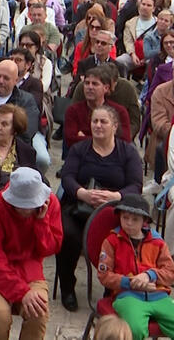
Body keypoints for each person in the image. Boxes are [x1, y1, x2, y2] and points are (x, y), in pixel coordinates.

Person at [57, 104, 143, 311]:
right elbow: (66, 177)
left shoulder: (127, 152)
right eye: (94, 121)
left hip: (114, 212)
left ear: (114, 126)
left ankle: (111, 287)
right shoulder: (80, 149)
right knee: (66, 234)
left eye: (103, 121)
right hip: (78, 208)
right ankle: (67, 287)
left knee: (122, 237)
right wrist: (82, 193)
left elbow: (136, 185)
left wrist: (115, 196)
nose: (97, 125)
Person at [0, 166, 62, 340]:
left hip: (30, 271)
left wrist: (41, 222)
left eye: (29, 205)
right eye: (20, 205)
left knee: (39, 314)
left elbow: (51, 248)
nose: (25, 210)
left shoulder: (50, 203)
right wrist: (22, 292)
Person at [96, 193, 174, 340]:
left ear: (145, 221)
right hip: (127, 295)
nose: (129, 223)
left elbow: (170, 272)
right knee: (134, 330)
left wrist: (150, 275)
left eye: (135, 219)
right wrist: (130, 282)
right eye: (125, 218)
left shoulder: (158, 243)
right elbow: (104, 275)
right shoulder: (112, 241)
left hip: (159, 295)